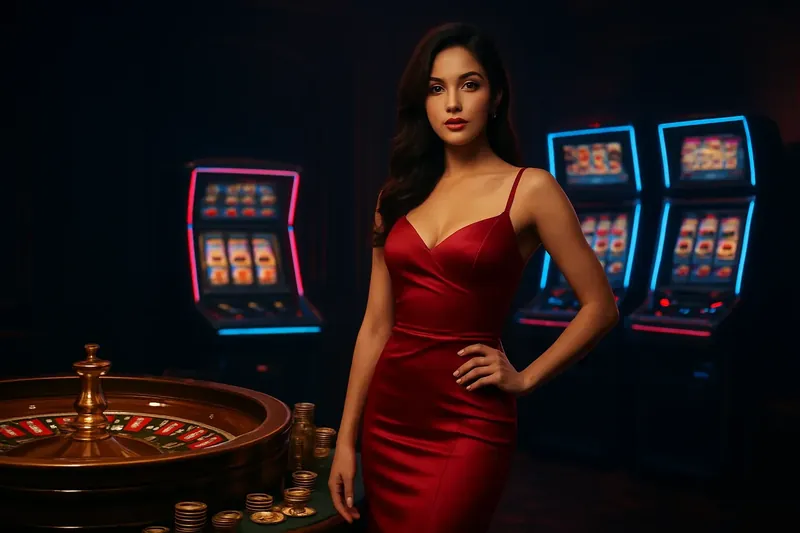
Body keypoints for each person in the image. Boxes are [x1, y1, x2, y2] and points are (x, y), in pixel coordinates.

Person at [328, 22, 619, 532]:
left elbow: (600, 306)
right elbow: (375, 326)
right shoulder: (394, 197)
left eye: (470, 84)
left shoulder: (530, 190)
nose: (453, 103)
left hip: (468, 422)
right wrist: (346, 441)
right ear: (423, 101)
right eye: (437, 88)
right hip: (389, 417)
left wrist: (525, 377)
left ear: (496, 95)